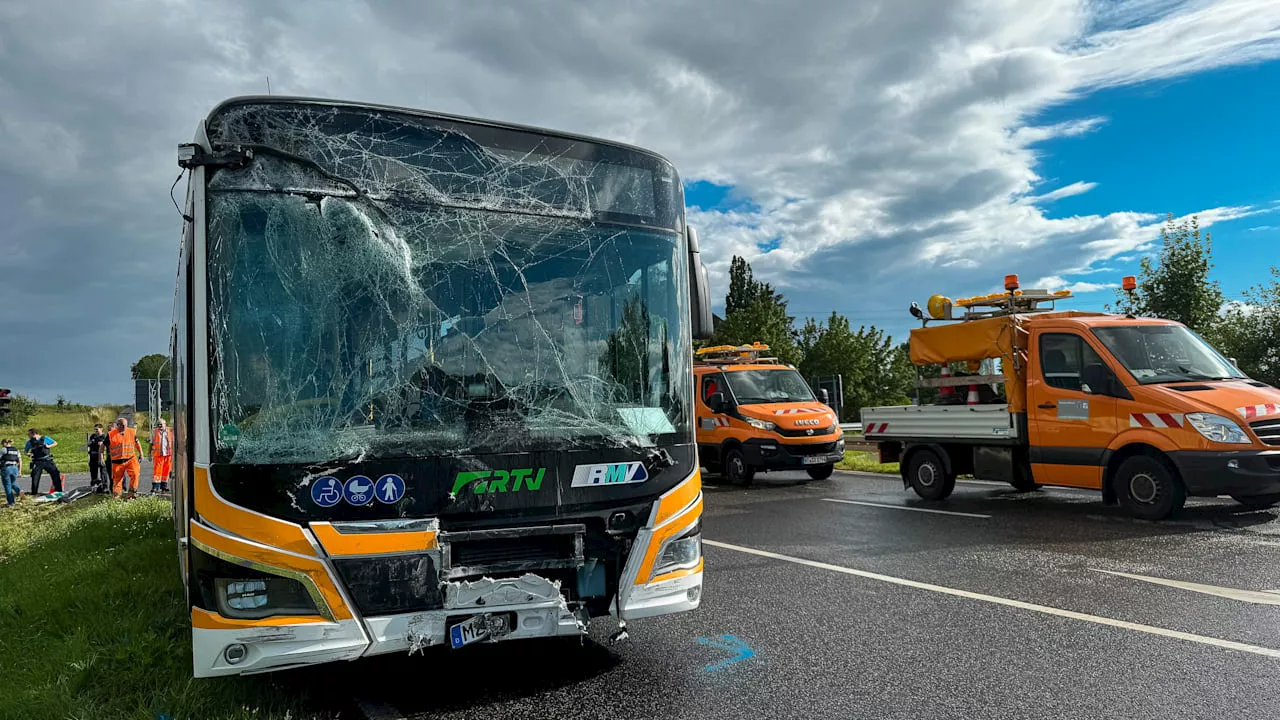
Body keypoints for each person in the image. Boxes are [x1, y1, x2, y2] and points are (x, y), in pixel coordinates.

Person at [108, 417, 143, 500]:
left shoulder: (131, 432)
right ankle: (116, 497)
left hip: (130, 459)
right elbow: (102, 446)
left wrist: (141, 453)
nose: (125, 427)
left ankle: (131, 494)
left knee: (135, 473)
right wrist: (101, 456)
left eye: (126, 425)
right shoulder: (111, 434)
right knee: (117, 480)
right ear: (118, 425)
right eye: (123, 425)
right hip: (117, 462)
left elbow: (137, 442)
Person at [25, 429, 63, 495]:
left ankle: (59, 491)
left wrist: (48, 446)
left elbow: (55, 443)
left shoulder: (45, 438)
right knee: (35, 477)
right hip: (37, 461)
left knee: (55, 474)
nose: (28, 436)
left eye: (29, 434)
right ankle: (34, 493)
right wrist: (28, 454)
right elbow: (25, 451)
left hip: (47, 460)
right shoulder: (29, 442)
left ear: (34, 434)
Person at [150, 418, 174, 495]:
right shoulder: (154, 432)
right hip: (158, 455)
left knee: (166, 472)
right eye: (158, 424)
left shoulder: (170, 431)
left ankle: (164, 486)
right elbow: (151, 443)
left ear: (165, 424)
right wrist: (149, 454)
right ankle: (155, 487)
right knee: (157, 472)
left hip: (168, 455)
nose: (159, 426)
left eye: (161, 424)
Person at [87, 423, 110, 493]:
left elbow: (104, 446)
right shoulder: (93, 436)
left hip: (100, 456)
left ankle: (104, 485)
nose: (96, 431)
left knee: (103, 471)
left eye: (97, 430)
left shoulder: (104, 436)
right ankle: (94, 485)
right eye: (95, 430)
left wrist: (101, 444)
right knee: (93, 471)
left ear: (101, 429)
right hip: (92, 455)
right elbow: (89, 443)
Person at [1, 439, 21, 507]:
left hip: (6, 468)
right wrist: (19, 470)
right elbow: (19, 460)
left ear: (4, 443)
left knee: (7, 485)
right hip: (15, 468)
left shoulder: (3, 449)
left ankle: (11, 502)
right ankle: (20, 491)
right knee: (12, 482)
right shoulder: (16, 450)